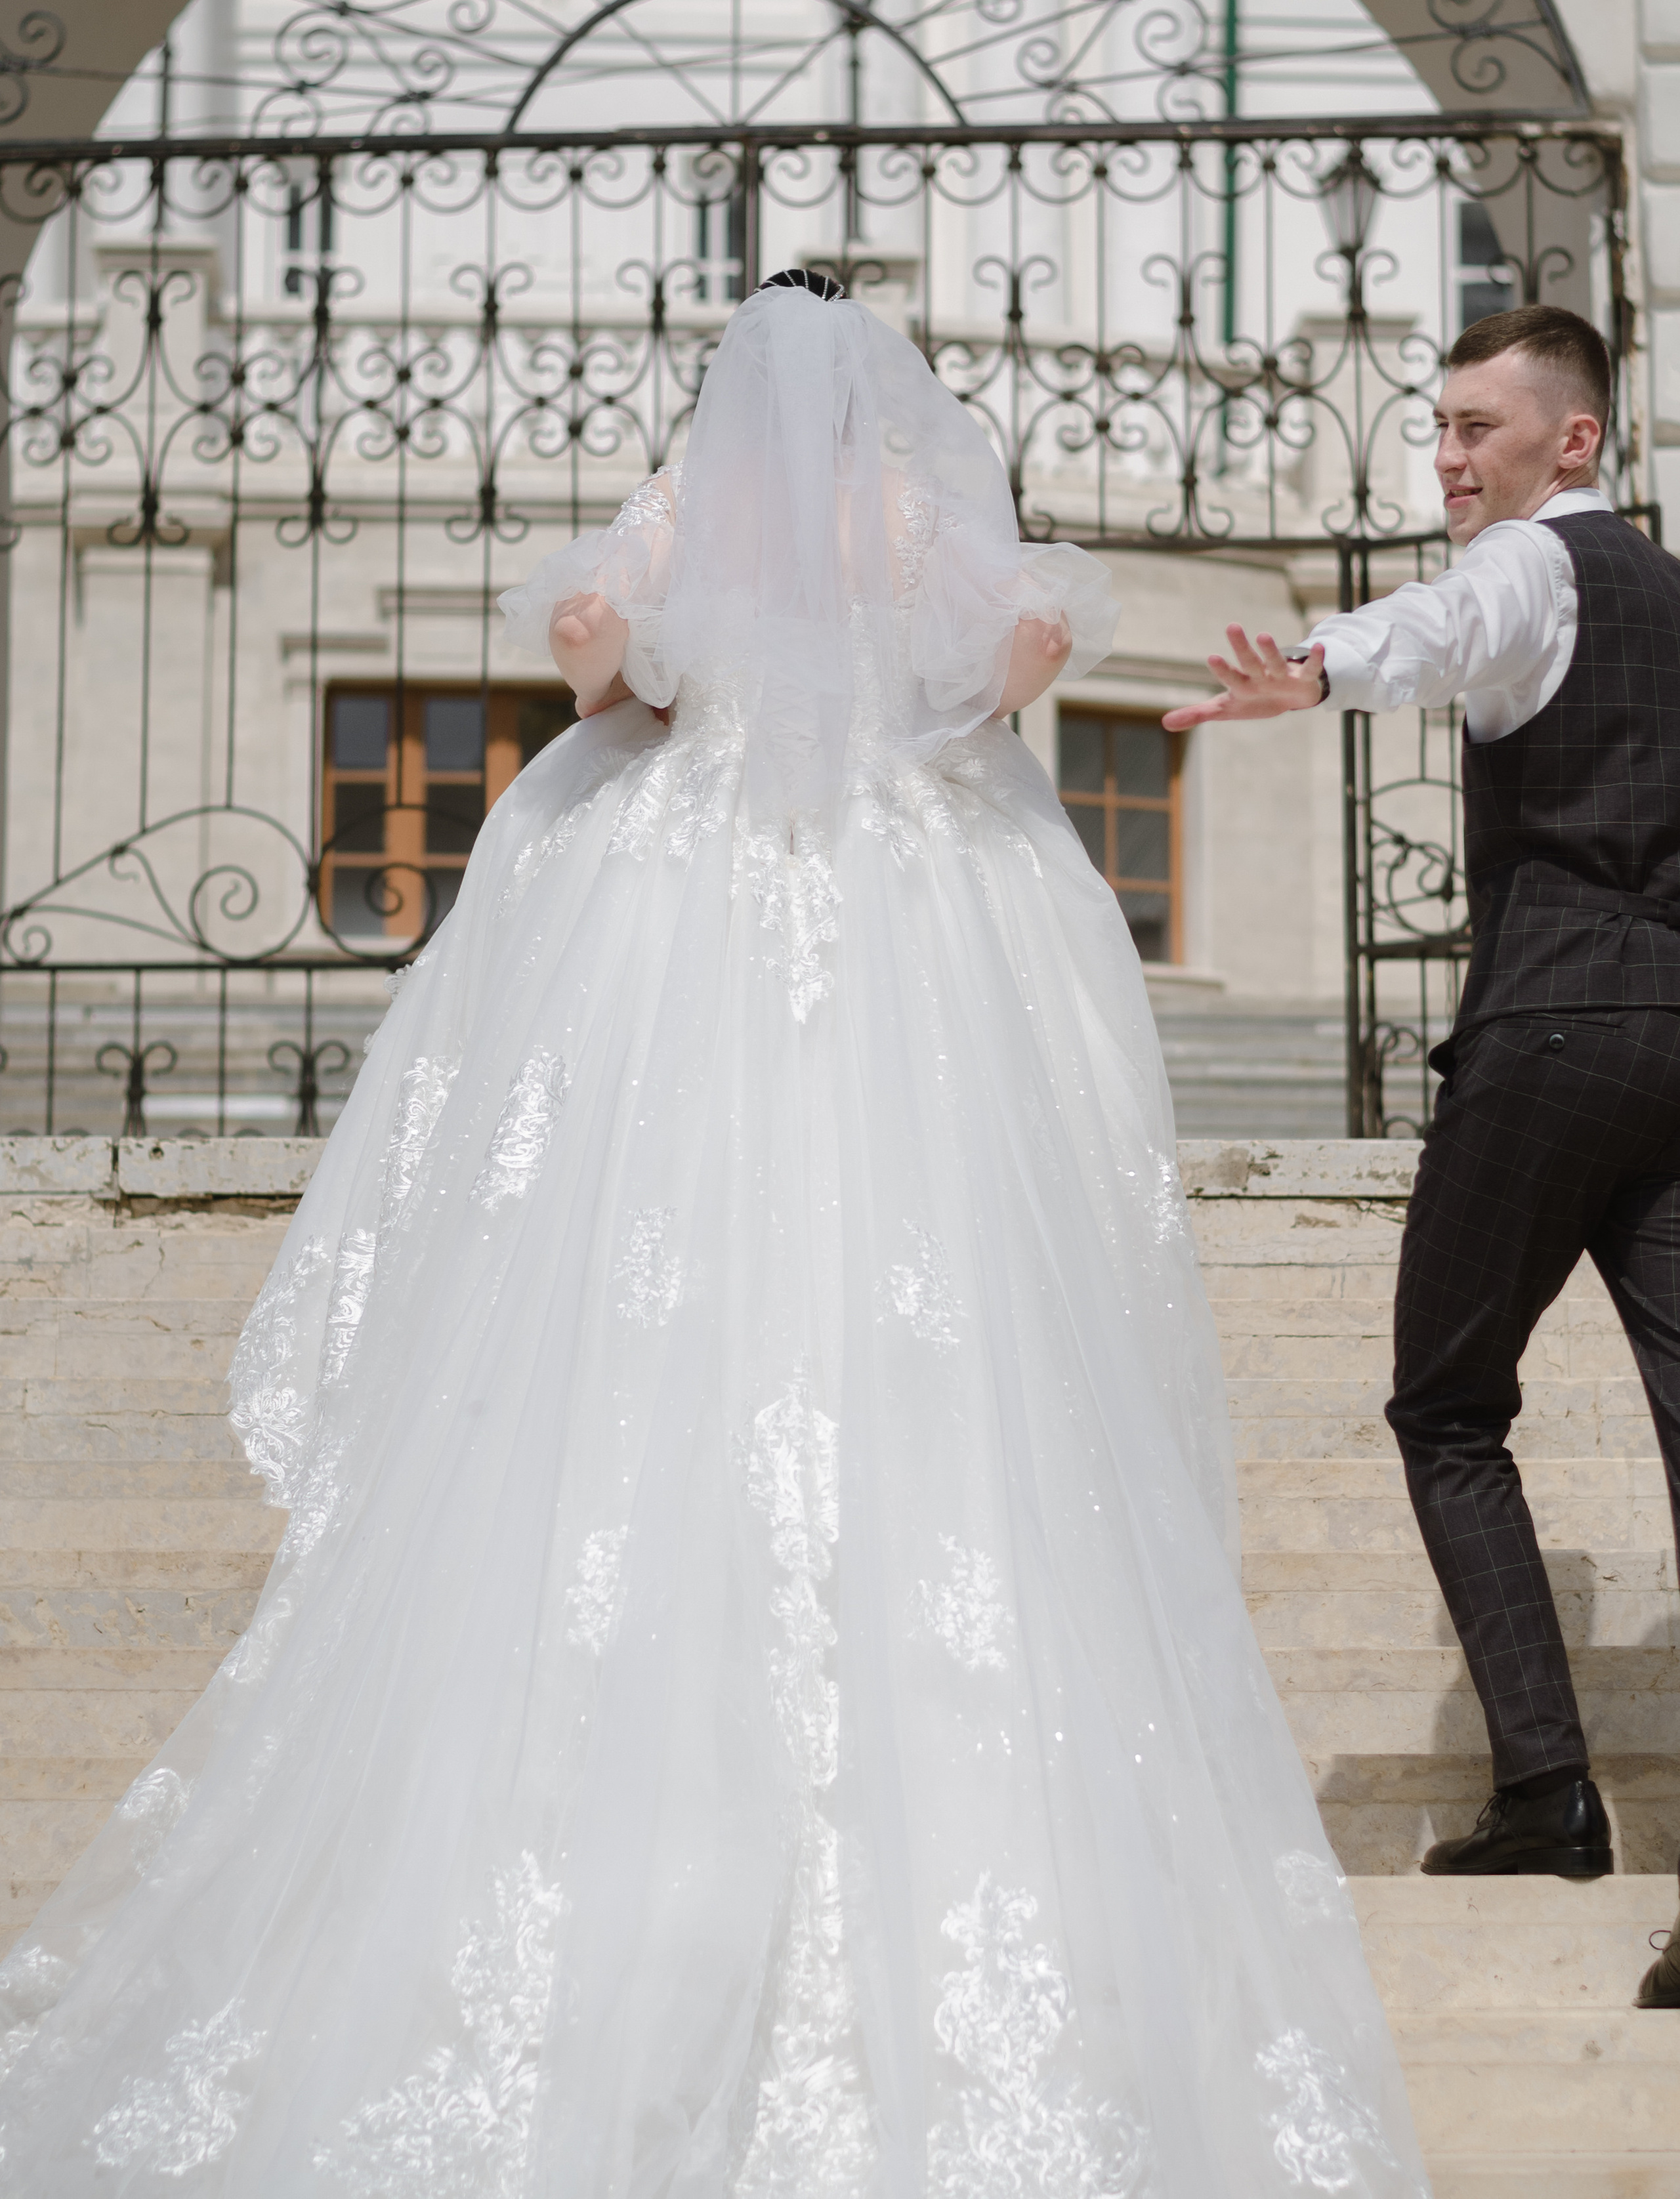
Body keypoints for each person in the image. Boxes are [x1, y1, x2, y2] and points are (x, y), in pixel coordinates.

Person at [0, 272, 1429, 2192]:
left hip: (684, 930)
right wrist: (907, 698)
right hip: (912, 939)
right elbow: (1014, 658)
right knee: (939, 1359)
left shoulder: (689, 515)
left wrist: (692, 653)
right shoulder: (925, 519)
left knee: (631, 1330)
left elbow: (615, 678)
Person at [1164, 303, 1680, 1990]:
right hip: (1674, 1042)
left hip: (1547, 1041)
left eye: (1476, 427)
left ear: (1574, 440)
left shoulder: (1542, 566)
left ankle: (1544, 1791)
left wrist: (1311, 668)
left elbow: (1451, 621)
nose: (1447, 456)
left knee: (1446, 1405)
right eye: (1439, 428)